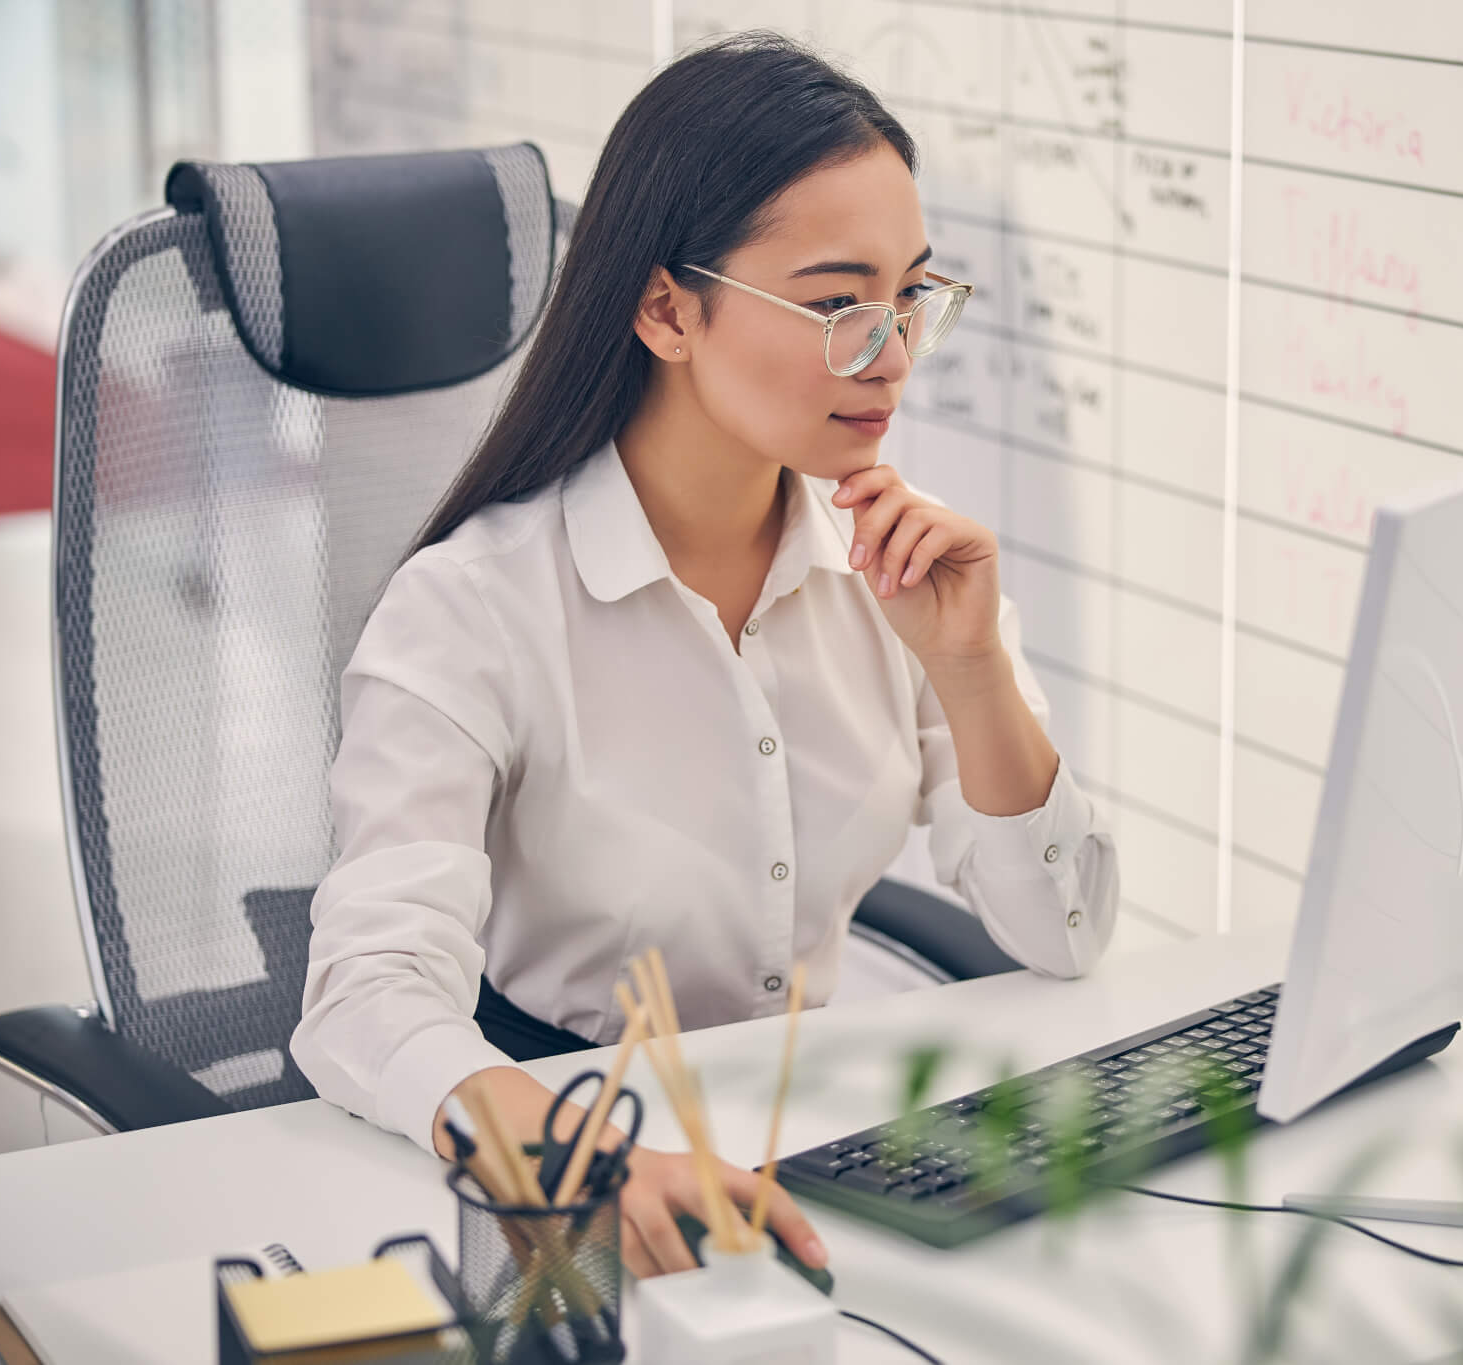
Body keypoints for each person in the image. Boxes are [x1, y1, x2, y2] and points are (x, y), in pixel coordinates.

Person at [289, 31, 1119, 1279]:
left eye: (908, 297)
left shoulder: (896, 574)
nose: (889, 353)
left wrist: (970, 670)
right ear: (666, 308)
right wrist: (585, 1163)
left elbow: (1062, 933)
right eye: (837, 303)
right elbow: (365, 996)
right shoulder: (471, 608)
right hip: (563, 1193)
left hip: (816, 1160)